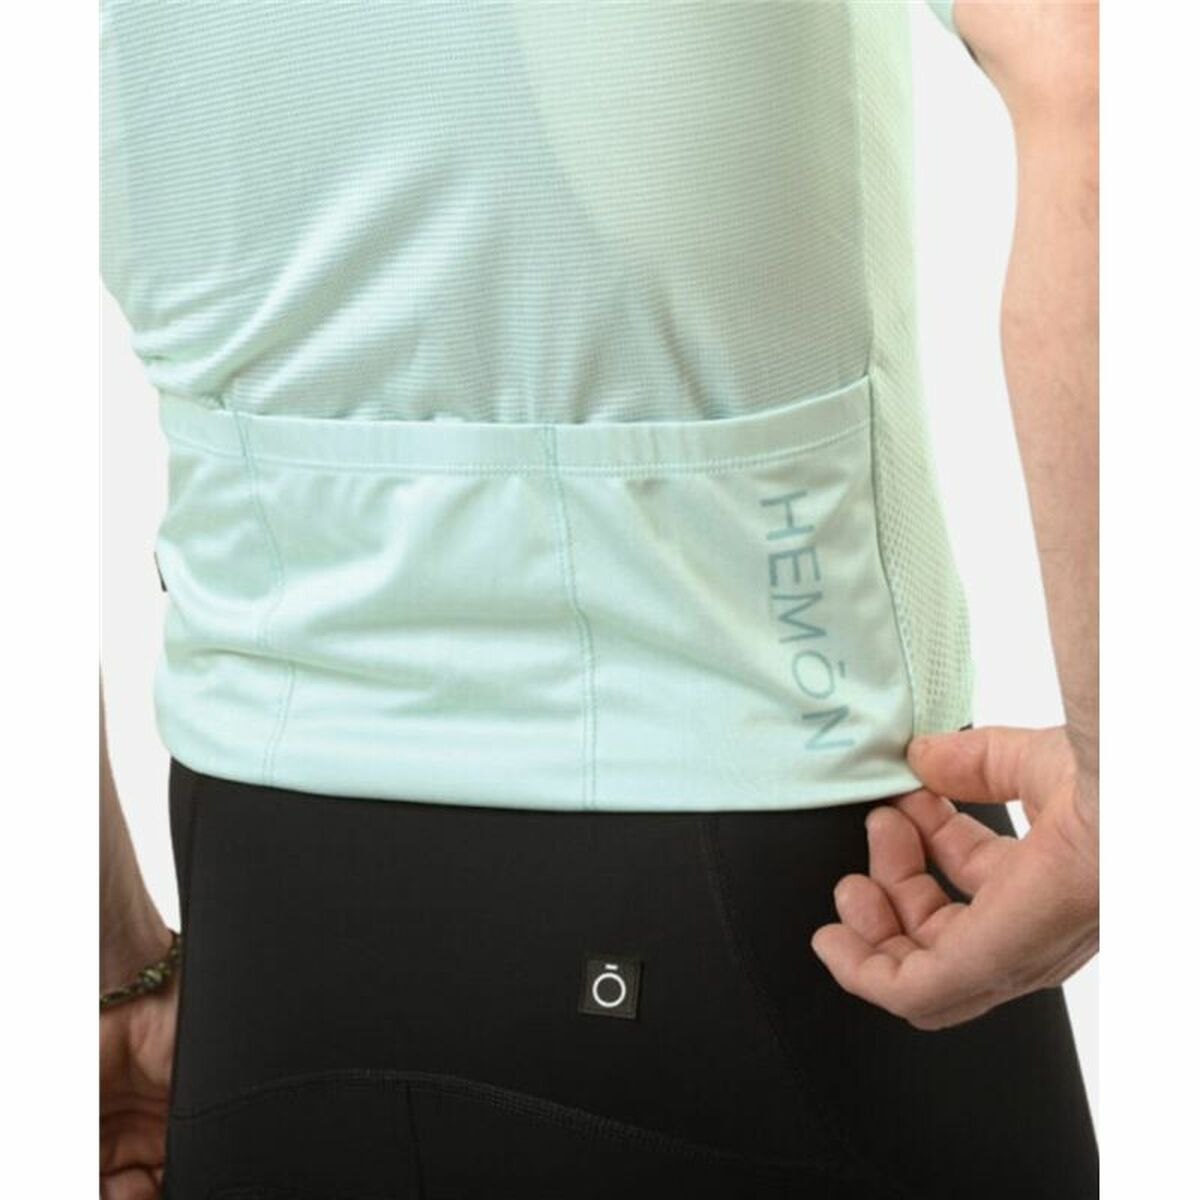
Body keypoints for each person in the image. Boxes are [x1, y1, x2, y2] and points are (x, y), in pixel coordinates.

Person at [100, 2, 1098, 1197]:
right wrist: (1119, 795)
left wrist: (106, 963)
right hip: (791, 886)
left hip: (270, 924)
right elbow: (1090, 71)